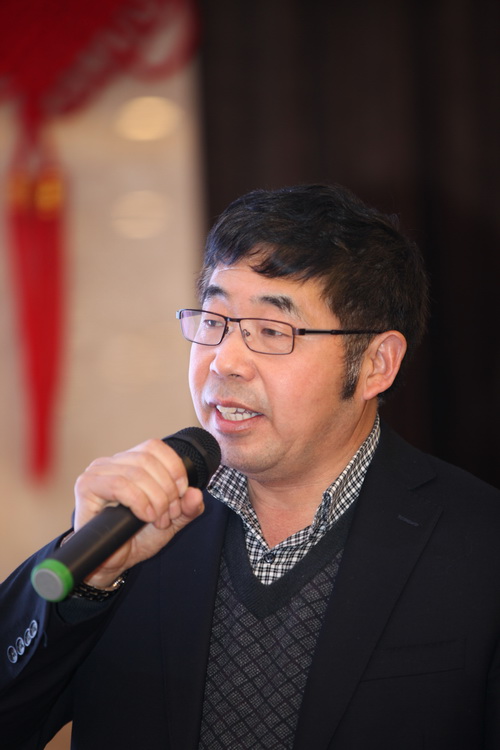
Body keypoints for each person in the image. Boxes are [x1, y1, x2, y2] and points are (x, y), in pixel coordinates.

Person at [1, 184, 499, 750]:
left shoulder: (482, 544)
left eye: (272, 331)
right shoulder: (138, 517)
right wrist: (90, 581)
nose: (225, 361)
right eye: (213, 321)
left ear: (376, 364)